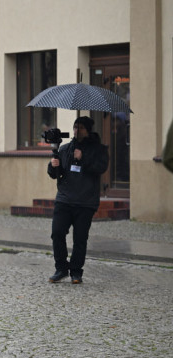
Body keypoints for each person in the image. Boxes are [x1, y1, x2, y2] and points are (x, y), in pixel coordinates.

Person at [47, 115, 109, 284]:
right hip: (64, 199)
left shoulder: (99, 149)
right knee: (57, 233)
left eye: (81, 127)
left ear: (88, 130)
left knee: (80, 239)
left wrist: (83, 158)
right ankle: (61, 268)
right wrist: (52, 166)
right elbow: (55, 174)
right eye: (75, 126)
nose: (76, 130)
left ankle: (76, 271)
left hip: (85, 201)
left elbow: (101, 168)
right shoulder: (65, 148)